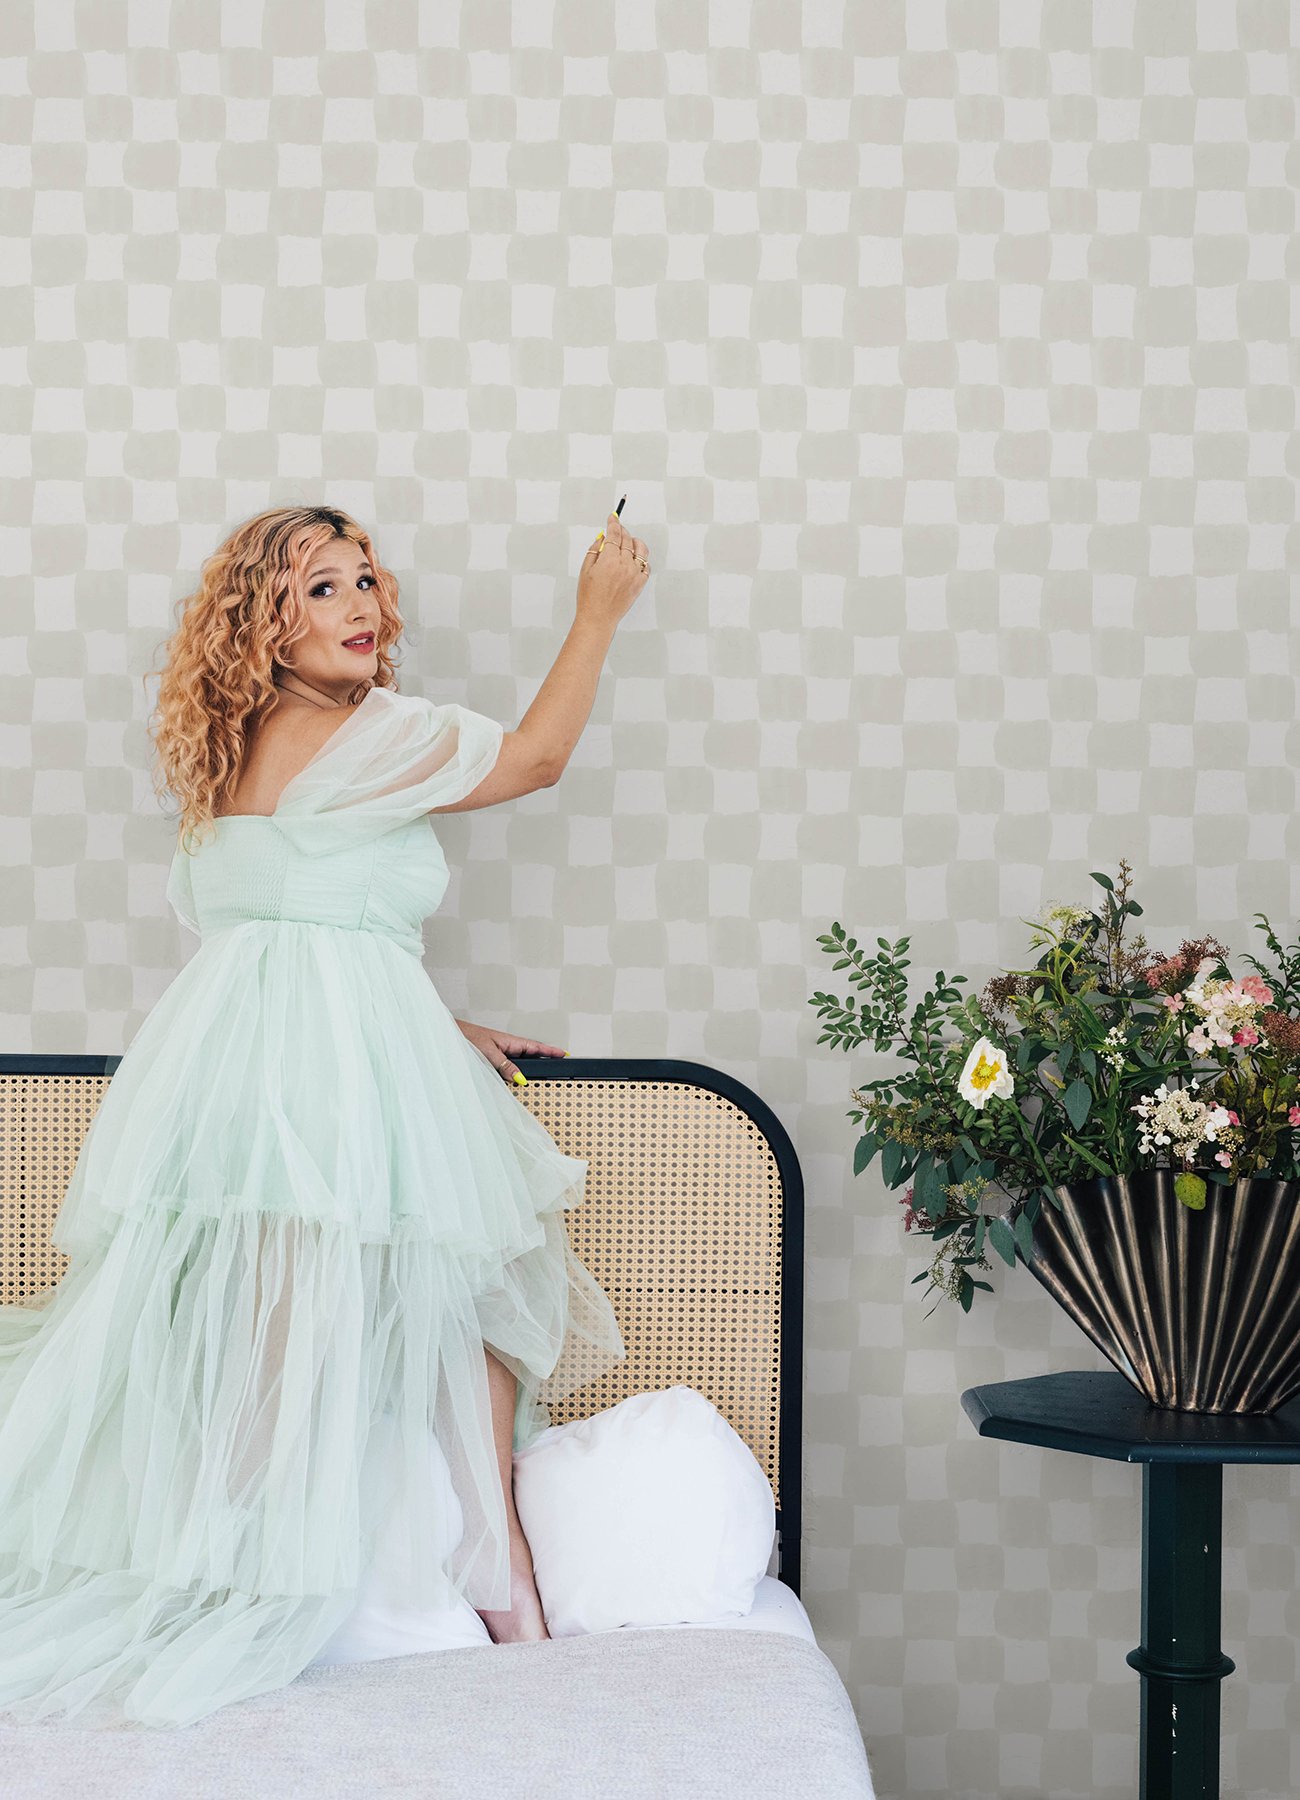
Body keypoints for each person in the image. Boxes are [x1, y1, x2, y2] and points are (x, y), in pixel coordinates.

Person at [0, 501, 653, 1730]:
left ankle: (386, 1570)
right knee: (425, 1298)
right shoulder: (370, 734)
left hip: (238, 1080)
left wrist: (430, 1025)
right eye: (318, 589)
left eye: (363, 581)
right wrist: (598, 611)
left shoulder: (228, 753)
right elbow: (535, 760)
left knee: (342, 1323)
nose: (357, 606)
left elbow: (295, 924)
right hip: (311, 1087)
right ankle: (428, 1577)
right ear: (266, 621)